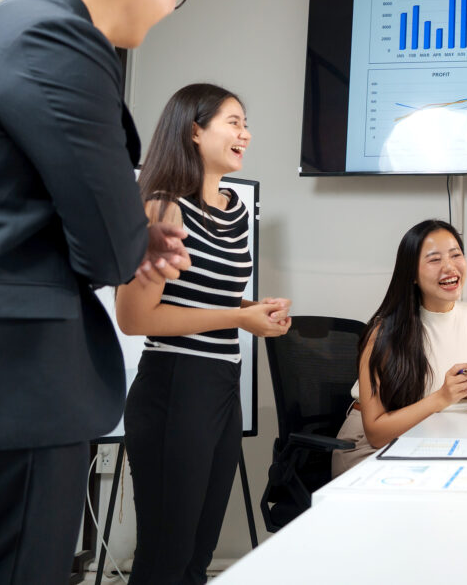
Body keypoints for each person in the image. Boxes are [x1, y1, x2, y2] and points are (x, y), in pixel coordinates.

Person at [0, 0, 194, 583]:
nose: (170, 5)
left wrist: (125, 231)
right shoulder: (59, 39)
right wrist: (133, 233)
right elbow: (109, 252)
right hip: (13, 386)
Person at [115, 84, 291, 584]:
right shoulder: (163, 208)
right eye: (233, 123)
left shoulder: (236, 210)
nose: (246, 134)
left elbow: (201, 296)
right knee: (166, 557)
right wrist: (238, 320)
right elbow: (136, 317)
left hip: (220, 387)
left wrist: (251, 308)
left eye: (245, 123)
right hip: (174, 387)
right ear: (195, 130)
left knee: (198, 555)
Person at [332, 219, 467, 476]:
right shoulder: (384, 332)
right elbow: (376, 433)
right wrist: (442, 398)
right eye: (434, 260)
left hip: (424, 433)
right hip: (369, 448)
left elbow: (452, 388)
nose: (450, 267)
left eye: (456, 255)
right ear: (412, 274)